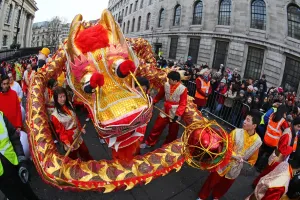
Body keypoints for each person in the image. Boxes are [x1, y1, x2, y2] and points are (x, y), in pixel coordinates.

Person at [197, 110, 262, 200]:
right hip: (224, 162)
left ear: (254, 126)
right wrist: (235, 156)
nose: (244, 121)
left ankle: (216, 197)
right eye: (245, 119)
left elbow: (252, 160)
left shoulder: (258, 142)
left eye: (247, 120)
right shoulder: (236, 132)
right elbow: (225, 147)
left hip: (235, 168)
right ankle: (202, 196)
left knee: (224, 186)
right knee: (211, 180)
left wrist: (246, 164)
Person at [140, 71, 187, 148]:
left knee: (173, 131)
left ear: (175, 81)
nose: (168, 81)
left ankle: (168, 145)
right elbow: (160, 95)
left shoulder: (183, 89)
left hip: (175, 111)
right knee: (157, 126)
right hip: (165, 109)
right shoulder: (166, 85)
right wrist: (154, 102)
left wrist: (178, 114)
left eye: (170, 79)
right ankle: (149, 142)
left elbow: (183, 103)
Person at [0, 111, 39, 200]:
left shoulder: (0, 115)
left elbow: (14, 138)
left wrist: (22, 161)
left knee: (30, 195)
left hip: (15, 166)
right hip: (2, 179)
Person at [253, 117, 300, 187]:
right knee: (267, 172)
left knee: (269, 173)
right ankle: (256, 184)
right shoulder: (288, 133)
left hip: (281, 157)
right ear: (294, 125)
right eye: (298, 126)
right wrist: (291, 149)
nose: (299, 129)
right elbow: (282, 148)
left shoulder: (294, 133)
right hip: (277, 157)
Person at [51, 87, 93, 161]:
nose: (63, 99)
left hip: (78, 134)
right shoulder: (55, 116)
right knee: (74, 158)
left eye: (64, 96)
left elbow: (75, 118)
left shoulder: (69, 104)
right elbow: (61, 132)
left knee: (85, 151)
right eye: (60, 97)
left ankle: (90, 164)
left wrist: (80, 128)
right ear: (56, 99)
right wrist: (67, 143)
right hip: (69, 139)